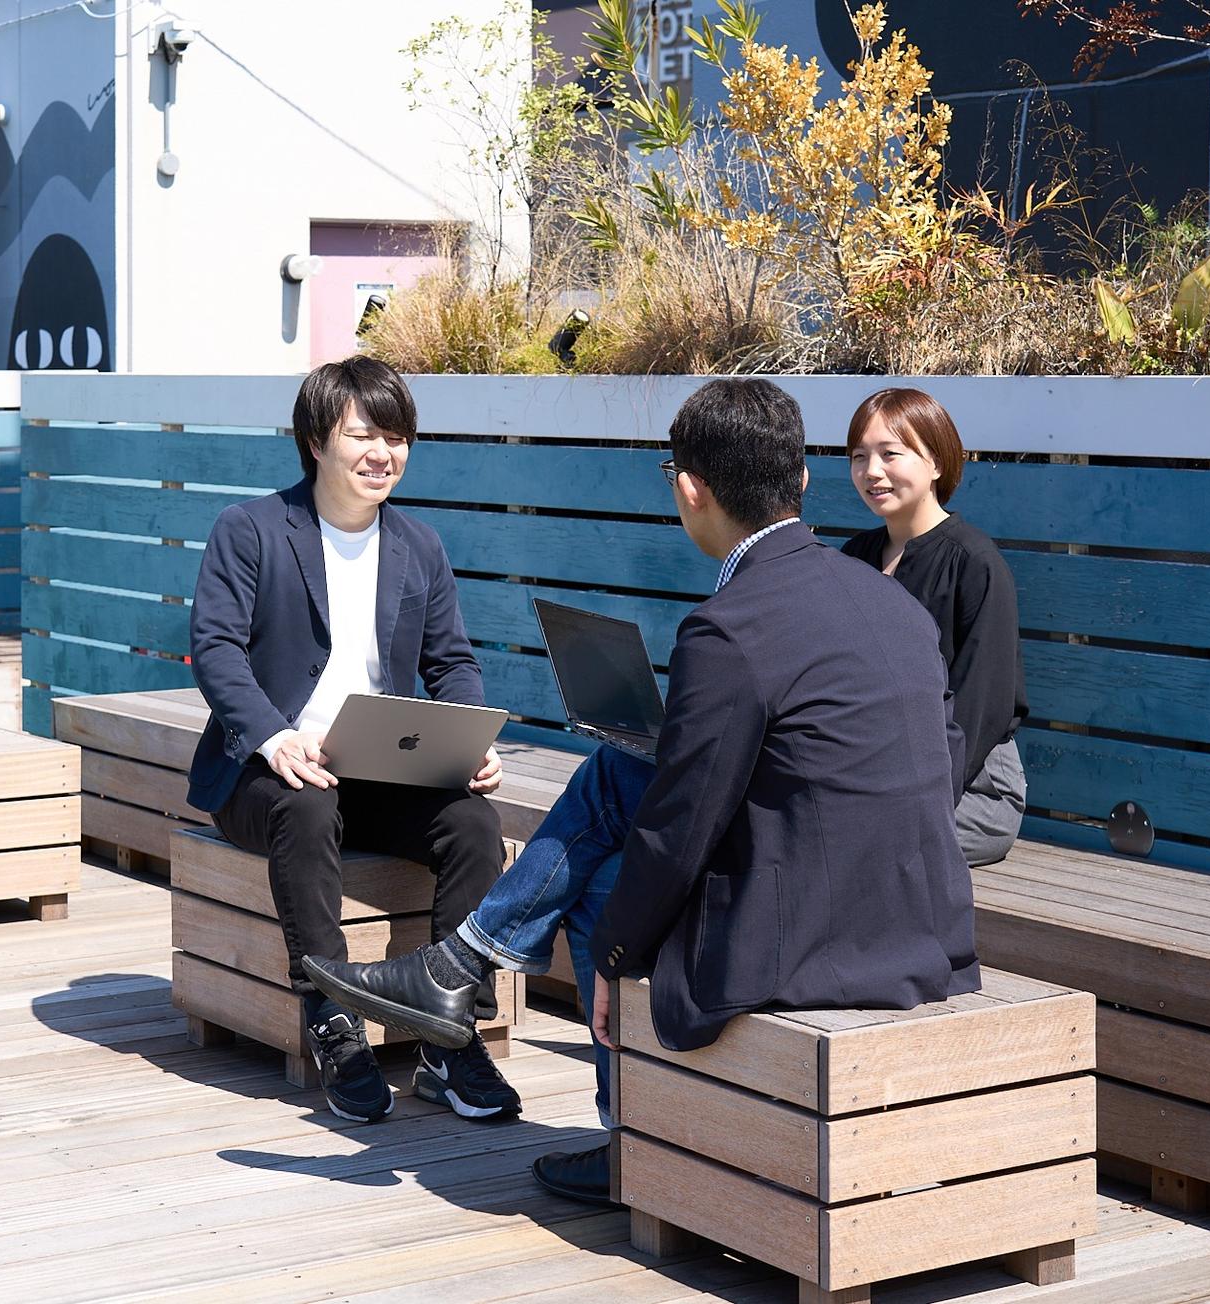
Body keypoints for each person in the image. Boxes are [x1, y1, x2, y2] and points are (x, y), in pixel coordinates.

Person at [306, 378, 981, 1202]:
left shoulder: (731, 627)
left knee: (603, 888)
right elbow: (933, 754)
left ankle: (622, 1131)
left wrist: (619, 959)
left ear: (689, 489)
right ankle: (464, 966)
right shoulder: (889, 601)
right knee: (624, 771)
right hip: (921, 921)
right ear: (802, 479)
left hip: (814, 936)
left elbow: (681, 830)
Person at [186, 356, 517, 1125]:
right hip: (267, 773)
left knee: (474, 824)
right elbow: (215, 649)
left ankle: (450, 1035)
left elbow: (451, 662)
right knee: (305, 808)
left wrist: (465, 739)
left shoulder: (419, 545)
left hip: (378, 768)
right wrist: (274, 738)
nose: (382, 454)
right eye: (363, 435)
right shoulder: (251, 530)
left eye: (396, 438)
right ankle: (332, 1020)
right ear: (315, 441)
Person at [842, 387, 1028, 866]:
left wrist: (914, 795)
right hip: (873, 773)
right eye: (859, 457)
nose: (872, 471)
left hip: (971, 786)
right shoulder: (854, 558)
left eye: (890, 454)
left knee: (858, 842)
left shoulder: (974, 563)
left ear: (937, 462)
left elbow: (982, 707)